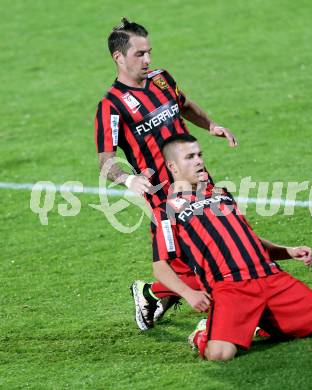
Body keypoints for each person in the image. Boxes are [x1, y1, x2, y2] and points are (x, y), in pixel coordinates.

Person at [94, 17, 237, 331]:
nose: (148, 60)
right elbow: (106, 160)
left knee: (218, 243)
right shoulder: (112, 106)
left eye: (149, 52)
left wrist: (211, 125)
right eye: (139, 54)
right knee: (197, 254)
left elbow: (184, 105)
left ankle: (153, 295)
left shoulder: (161, 79)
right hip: (163, 196)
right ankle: (227, 315)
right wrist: (129, 179)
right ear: (118, 57)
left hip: (199, 181)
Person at [151, 134, 312, 361]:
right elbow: (160, 266)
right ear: (173, 166)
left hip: (270, 276)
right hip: (231, 287)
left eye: (200, 155)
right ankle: (202, 334)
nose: (199, 161)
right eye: (190, 157)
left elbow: (248, 239)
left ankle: (259, 322)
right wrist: (188, 293)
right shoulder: (165, 211)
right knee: (220, 354)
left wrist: (287, 251)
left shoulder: (220, 193)